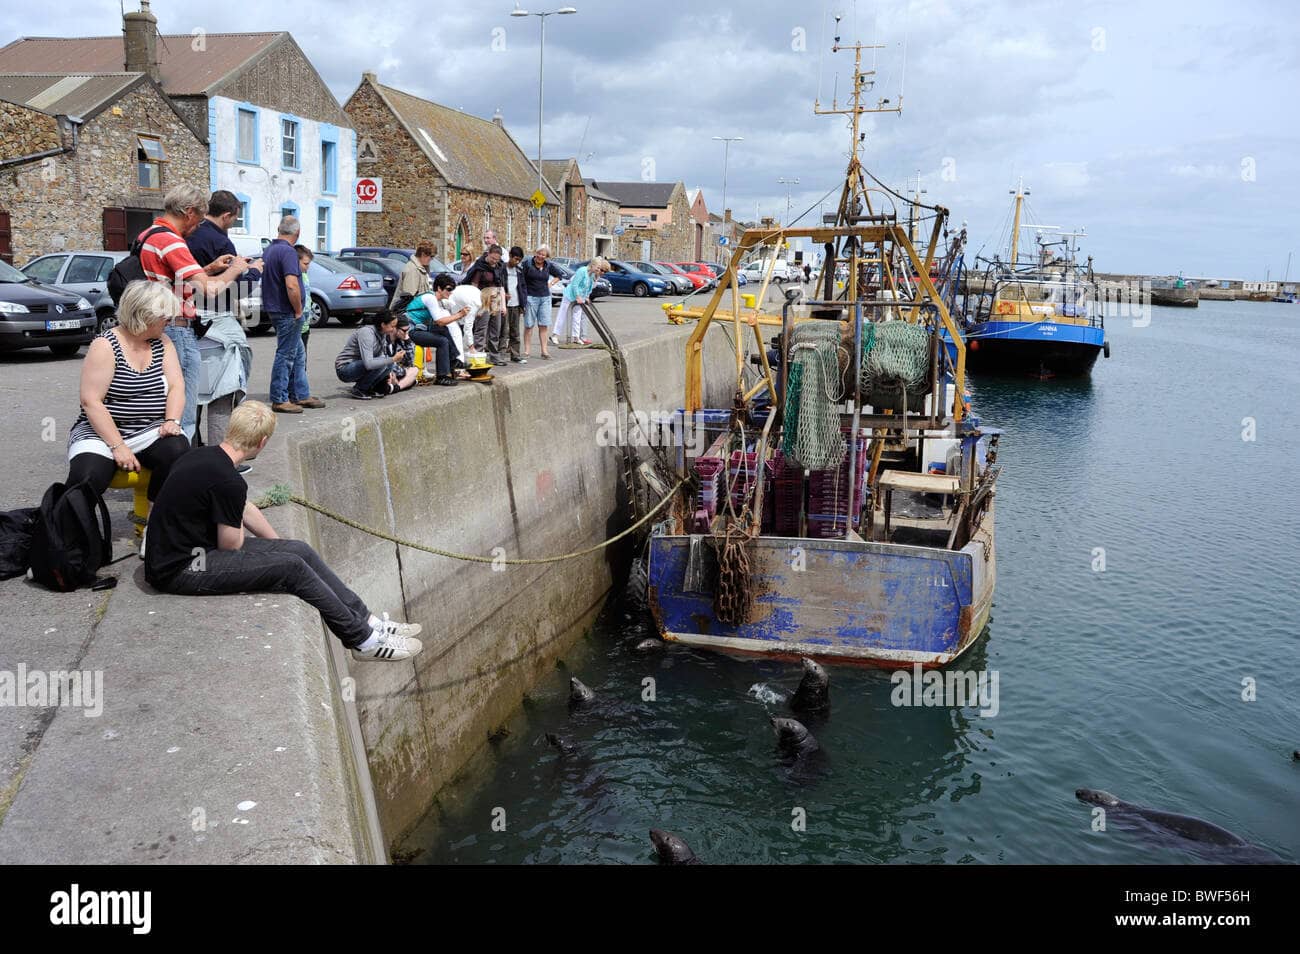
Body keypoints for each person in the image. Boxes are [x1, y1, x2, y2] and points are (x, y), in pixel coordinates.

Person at [144, 400, 424, 662]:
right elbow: (230, 544)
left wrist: (278, 547)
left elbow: (243, 507)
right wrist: (274, 559)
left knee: (296, 551)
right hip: (180, 569)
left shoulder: (203, 457)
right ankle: (363, 641)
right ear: (262, 442)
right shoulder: (229, 480)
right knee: (291, 568)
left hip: (183, 553)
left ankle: (367, 620)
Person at [137, 184, 251, 441]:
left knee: (165, 404)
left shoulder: (148, 234)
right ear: (189, 212)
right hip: (177, 327)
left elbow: (171, 281)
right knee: (184, 412)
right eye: (199, 220)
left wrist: (208, 267)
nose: (198, 227)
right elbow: (210, 290)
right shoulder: (171, 241)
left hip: (155, 323)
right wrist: (237, 268)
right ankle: (185, 471)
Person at [64, 280, 191, 503]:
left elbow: (176, 386)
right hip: (101, 434)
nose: (169, 322)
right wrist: (118, 446)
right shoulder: (105, 345)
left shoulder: (163, 342)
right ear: (144, 315)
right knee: (87, 478)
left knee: (178, 449)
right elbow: (91, 401)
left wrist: (172, 420)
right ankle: (65, 530)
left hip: (149, 429)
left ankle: (159, 510)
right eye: (165, 317)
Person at [186, 190, 259, 465]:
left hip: (186, 321)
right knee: (221, 393)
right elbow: (234, 292)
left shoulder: (187, 236)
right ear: (227, 215)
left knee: (191, 395)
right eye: (233, 219)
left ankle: (188, 457)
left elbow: (187, 280)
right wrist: (254, 272)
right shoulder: (220, 241)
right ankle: (219, 462)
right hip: (214, 326)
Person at [263, 216, 324, 414]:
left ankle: (301, 393)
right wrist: (298, 310)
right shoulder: (288, 252)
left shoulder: (270, 250)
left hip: (275, 308)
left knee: (298, 354)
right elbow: (292, 285)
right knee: (287, 354)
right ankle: (280, 398)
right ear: (297, 233)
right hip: (286, 311)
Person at [403, 273, 471, 385]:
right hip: (410, 331)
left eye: (451, 290)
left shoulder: (436, 300)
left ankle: (453, 361)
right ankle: (442, 376)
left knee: (443, 330)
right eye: (448, 289)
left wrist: (458, 314)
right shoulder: (431, 298)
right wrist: (460, 315)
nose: (450, 292)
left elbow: (439, 323)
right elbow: (440, 321)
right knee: (441, 341)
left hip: (419, 328)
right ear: (439, 288)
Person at [334, 311, 417, 400]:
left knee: (389, 364)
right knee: (384, 362)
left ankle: (369, 387)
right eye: (392, 326)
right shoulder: (367, 333)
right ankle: (359, 389)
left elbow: (384, 358)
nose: (393, 329)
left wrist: (391, 370)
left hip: (361, 366)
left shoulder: (383, 334)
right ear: (383, 325)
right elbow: (369, 364)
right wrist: (393, 359)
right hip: (345, 369)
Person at [520, 245, 565, 360]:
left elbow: (559, 275)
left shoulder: (548, 265)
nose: (540, 256)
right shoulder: (527, 264)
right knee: (529, 325)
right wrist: (523, 298)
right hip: (530, 297)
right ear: (535, 253)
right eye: (539, 253)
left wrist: (551, 283)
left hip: (545, 297)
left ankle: (544, 351)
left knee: (544, 325)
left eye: (543, 255)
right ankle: (527, 351)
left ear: (546, 256)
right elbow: (521, 281)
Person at [552, 257, 609, 346]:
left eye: (599, 268)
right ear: (592, 265)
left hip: (580, 297)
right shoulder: (582, 271)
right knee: (562, 315)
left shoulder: (592, 275)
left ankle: (576, 337)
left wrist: (586, 296)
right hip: (570, 295)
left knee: (577, 317)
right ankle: (555, 335)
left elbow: (589, 287)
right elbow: (575, 284)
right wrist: (578, 296)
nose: (598, 270)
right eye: (597, 267)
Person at [499, 245, 527, 363]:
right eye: (515, 259)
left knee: (515, 331)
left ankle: (515, 355)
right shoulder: (501, 269)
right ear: (510, 256)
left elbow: (523, 288)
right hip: (504, 305)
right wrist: (503, 294)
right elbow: (498, 284)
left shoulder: (519, 271)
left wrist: (523, 304)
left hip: (516, 304)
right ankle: (500, 355)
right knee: (503, 331)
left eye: (519, 260)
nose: (517, 262)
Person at [295, 245, 315, 351]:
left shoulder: (304, 275)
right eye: (305, 264)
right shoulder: (294, 277)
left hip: (305, 324)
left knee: (303, 356)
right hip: (297, 322)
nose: (308, 267)